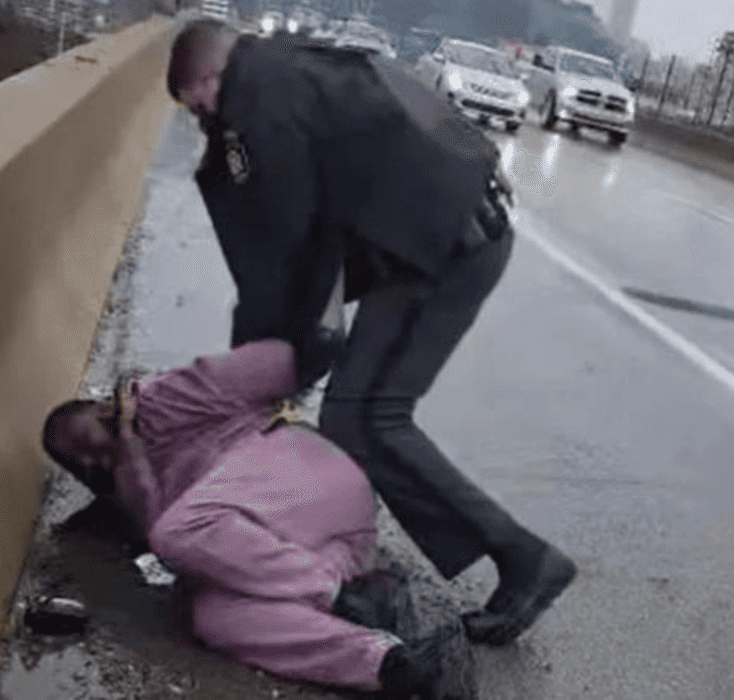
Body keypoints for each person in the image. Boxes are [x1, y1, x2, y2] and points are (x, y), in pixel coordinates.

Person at [165, 19, 576, 646]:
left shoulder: (262, 96)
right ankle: (355, 545)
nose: (208, 125)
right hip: (431, 237)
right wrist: (298, 349)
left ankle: (524, 559)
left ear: (210, 75)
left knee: (369, 414)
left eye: (201, 107)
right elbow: (320, 228)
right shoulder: (292, 70)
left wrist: (264, 364)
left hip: (448, 246)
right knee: (352, 417)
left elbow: (286, 247)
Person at [42, 339, 476, 699]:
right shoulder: (127, 477)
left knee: (177, 531)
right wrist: (129, 457)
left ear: (106, 413)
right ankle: (397, 666)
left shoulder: (159, 400)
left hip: (311, 481)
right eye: (81, 467)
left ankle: (342, 595)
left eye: (90, 443)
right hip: (314, 547)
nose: (94, 462)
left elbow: (269, 370)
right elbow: (152, 530)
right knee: (212, 618)